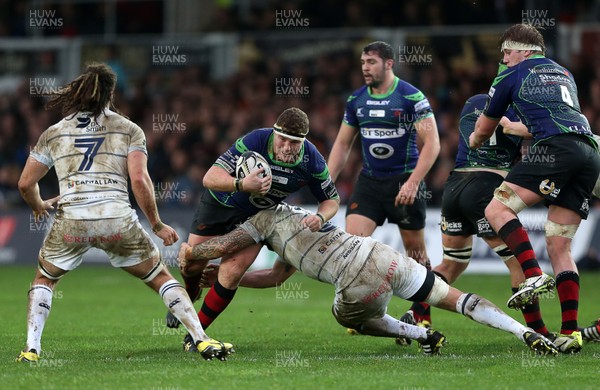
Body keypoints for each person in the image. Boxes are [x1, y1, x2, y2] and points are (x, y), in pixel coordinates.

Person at [15, 63, 232, 362]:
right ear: (110, 94)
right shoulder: (129, 129)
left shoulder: (54, 132)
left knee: (44, 279)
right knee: (159, 277)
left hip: (72, 221)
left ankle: (32, 349)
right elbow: (140, 180)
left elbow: (26, 183)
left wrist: (38, 205)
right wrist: (156, 224)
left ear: (78, 92)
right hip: (116, 219)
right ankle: (202, 339)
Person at [178, 203, 558, 356]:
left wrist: (189, 253)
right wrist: (231, 281)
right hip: (379, 253)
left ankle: (421, 335)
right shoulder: (292, 220)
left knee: (347, 317)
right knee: (456, 298)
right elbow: (277, 277)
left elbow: (222, 245)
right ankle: (522, 332)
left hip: (356, 275)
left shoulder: (258, 221)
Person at [469, 23, 600, 353]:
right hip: (588, 152)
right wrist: (518, 128)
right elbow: (558, 116)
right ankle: (569, 333)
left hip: (555, 150)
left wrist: (475, 138)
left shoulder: (510, 76)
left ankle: (532, 273)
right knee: (560, 247)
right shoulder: (563, 72)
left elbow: (484, 129)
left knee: (497, 208)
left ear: (523, 51)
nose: (504, 59)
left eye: (507, 52)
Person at [172, 107, 340, 331]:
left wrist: (321, 216)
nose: (288, 148)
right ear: (274, 133)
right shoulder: (255, 141)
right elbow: (209, 177)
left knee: (232, 271)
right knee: (193, 265)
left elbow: (332, 200)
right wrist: (241, 184)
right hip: (220, 204)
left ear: (304, 141)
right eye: (283, 140)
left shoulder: (312, 161)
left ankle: (196, 332)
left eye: (295, 143)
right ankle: (190, 294)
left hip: (257, 218)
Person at [327, 41, 440, 328]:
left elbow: (432, 144)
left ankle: (422, 315)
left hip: (404, 182)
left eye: (371, 62)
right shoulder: (356, 101)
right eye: (363, 62)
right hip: (370, 183)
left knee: (415, 254)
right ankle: (364, 314)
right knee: (352, 249)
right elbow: (342, 144)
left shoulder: (411, 97)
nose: (365, 67)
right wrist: (325, 183)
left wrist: (414, 182)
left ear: (389, 64)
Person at [430, 92, 553, 340]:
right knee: (517, 263)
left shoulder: (472, 102)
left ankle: (418, 313)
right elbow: (530, 134)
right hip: (486, 186)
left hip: (454, 185)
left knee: (452, 264)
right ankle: (539, 331)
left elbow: (469, 136)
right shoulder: (520, 110)